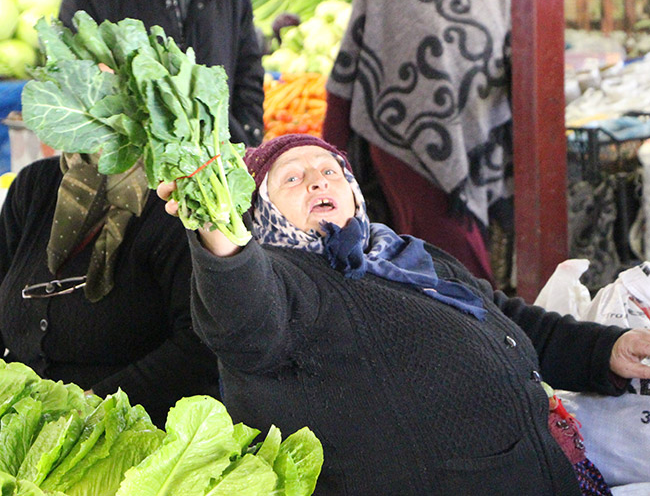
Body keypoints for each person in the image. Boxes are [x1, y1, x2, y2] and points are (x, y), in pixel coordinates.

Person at [156, 133, 650, 495]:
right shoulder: (284, 278)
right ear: (260, 212)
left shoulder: (400, 253)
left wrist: (604, 349)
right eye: (292, 178)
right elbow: (244, 322)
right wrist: (217, 232)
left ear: (353, 190)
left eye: (330, 171)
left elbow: (501, 317)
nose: (316, 180)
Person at [0, 153, 220, 427]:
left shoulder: (175, 202)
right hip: (20, 419)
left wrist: (93, 404)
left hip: (133, 430)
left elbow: (201, 347)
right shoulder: (35, 183)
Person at [322, 0, 512, 286]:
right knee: (457, 266)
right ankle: (478, 332)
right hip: (406, 143)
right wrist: (331, 162)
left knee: (458, 264)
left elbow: (511, 52)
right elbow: (349, 67)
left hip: (478, 143)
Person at [59, 0, 265, 147]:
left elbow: (247, 67)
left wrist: (246, 138)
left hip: (216, 162)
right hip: (130, 166)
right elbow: (71, 73)